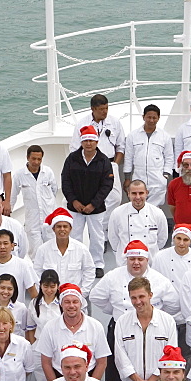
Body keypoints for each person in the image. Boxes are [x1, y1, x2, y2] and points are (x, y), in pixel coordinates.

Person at [114, 276, 178, 381]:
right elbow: (120, 356)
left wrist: (152, 380)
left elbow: (171, 355)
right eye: (133, 298)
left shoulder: (167, 321)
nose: (138, 302)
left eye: (141, 296)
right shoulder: (122, 322)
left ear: (150, 295)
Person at [62, 125, 115, 275]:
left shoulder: (104, 161)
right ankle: (77, 262)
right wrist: (73, 201)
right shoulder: (72, 159)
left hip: (96, 208)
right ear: (81, 142)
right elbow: (65, 181)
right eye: (86, 140)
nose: (89, 143)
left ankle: (97, 264)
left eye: (92, 140)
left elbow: (107, 185)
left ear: (97, 142)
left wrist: (94, 204)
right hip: (75, 207)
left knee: (97, 237)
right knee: (74, 235)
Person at [35, 283, 111, 381]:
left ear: (81, 303)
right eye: (67, 302)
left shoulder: (96, 326)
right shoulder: (50, 327)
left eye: (75, 302)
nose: (71, 306)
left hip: (89, 378)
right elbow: (46, 362)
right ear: (61, 304)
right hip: (59, 377)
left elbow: (102, 362)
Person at [69, 94, 126, 218]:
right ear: (93, 109)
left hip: (110, 164)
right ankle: (95, 224)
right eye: (101, 109)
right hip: (89, 165)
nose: (104, 112)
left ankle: (105, 226)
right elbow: (74, 148)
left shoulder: (114, 122)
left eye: (106, 108)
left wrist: (115, 164)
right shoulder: (82, 124)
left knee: (115, 198)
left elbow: (121, 146)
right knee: (92, 196)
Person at [150, 224, 191, 355]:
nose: (181, 243)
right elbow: (154, 282)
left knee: (186, 350)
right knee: (164, 350)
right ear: (173, 238)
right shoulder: (160, 257)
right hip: (165, 311)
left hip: (188, 311)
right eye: (178, 238)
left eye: (185, 240)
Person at [32, 208, 96, 298]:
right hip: (51, 297)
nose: (62, 229)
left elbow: (89, 271)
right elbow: (37, 273)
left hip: (75, 298)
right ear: (53, 229)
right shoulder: (43, 250)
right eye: (58, 226)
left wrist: (82, 293)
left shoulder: (81, 249)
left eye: (65, 226)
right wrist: (44, 293)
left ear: (70, 228)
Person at [10, 144, 59, 257]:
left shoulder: (48, 172)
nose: (36, 162)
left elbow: (54, 189)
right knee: (35, 251)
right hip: (32, 219)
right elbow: (13, 194)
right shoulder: (19, 175)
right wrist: (9, 211)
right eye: (33, 158)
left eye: (39, 159)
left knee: (52, 248)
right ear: (27, 158)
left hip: (49, 217)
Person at [123, 104, 173, 207]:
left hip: (158, 179)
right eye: (149, 117)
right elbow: (128, 157)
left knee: (154, 209)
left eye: (154, 117)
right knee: (138, 206)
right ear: (143, 117)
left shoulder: (164, 136)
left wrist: (165, 176)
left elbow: (169, 157)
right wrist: (127, 178)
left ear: (158, 118)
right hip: (138, 178)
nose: (151, 120)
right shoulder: (133, 135)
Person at [108, 180, 168, 262]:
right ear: (128, 194)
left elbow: (162, 239)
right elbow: (113, 239)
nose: (138, 197)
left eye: (141, 193)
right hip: (125, 261)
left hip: (150, 261)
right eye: (134, 193)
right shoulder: (117, 213)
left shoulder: (157, 213)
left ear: (146, 193)